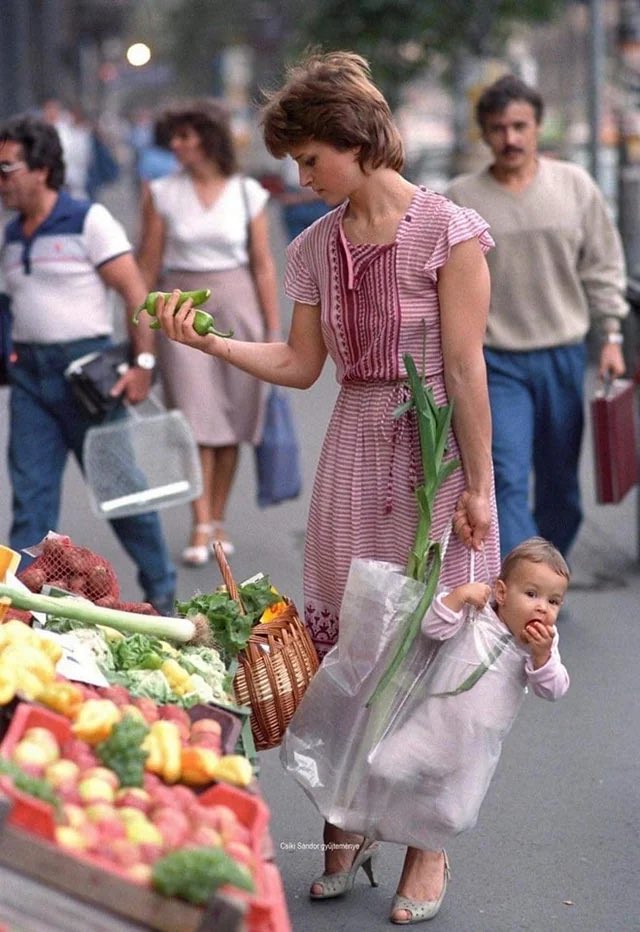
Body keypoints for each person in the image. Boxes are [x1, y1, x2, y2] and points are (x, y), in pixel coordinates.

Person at [153, 51, 501, 924]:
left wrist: (482, 485)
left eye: (310, 159)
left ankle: (428, 848)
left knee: (433, 648)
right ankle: (344, 818)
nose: (300, 177)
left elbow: (465, 368)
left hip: (436, 455)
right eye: (295, 163)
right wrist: (213, 346)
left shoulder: (450, 232)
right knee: (348, 647)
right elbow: (302, 365)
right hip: (354, 451)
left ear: (355, 141)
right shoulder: (312, 246)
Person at [446, 74, 629, 559]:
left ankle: (546, 576)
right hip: (496, 361)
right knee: (504, 476)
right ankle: (522, 584)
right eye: (498, 128)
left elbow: (604, 265)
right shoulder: (461, 198)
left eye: (520, 126)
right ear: (484, 134)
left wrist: (611, 335)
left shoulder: (575, 186)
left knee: (561, 485)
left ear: (538, 127)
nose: (510, 138)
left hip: (563, 355)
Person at [0, 114, 177, 615]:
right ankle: (22, 610)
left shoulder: (87, 219)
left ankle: (161, 591)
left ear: (41, 168)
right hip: (30, 381)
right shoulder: (13, 235)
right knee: (29, 499)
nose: (0, 181)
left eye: (7, 168)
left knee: (123, 493)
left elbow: (135, 293)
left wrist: (143, 363)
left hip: (88, 378)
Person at [365, 536, 569, 918]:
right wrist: (457, 598)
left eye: (553, 601)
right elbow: (431, 627)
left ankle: (430, 853)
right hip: (429, 728)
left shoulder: (539, 646)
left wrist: (542, 658)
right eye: (532, 593)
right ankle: (373, 833)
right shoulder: (476, 614)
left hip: (473, 752)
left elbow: (554, 689)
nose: (542, 607)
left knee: (454, 815)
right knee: (383, 767)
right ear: (502, 593)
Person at [137, 98, 280, 564]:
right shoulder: (160, 192)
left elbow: (262, 266)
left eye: (185, 136)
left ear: (207, 138)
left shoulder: (246, 192)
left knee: (234, 420)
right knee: (196, 419)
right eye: (173, 137)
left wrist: (272, 329)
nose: (176, 145)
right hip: (181, 308)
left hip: (238, 303)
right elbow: (148, 265)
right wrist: (141, 327)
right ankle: (200, 524)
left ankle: (217, 518)